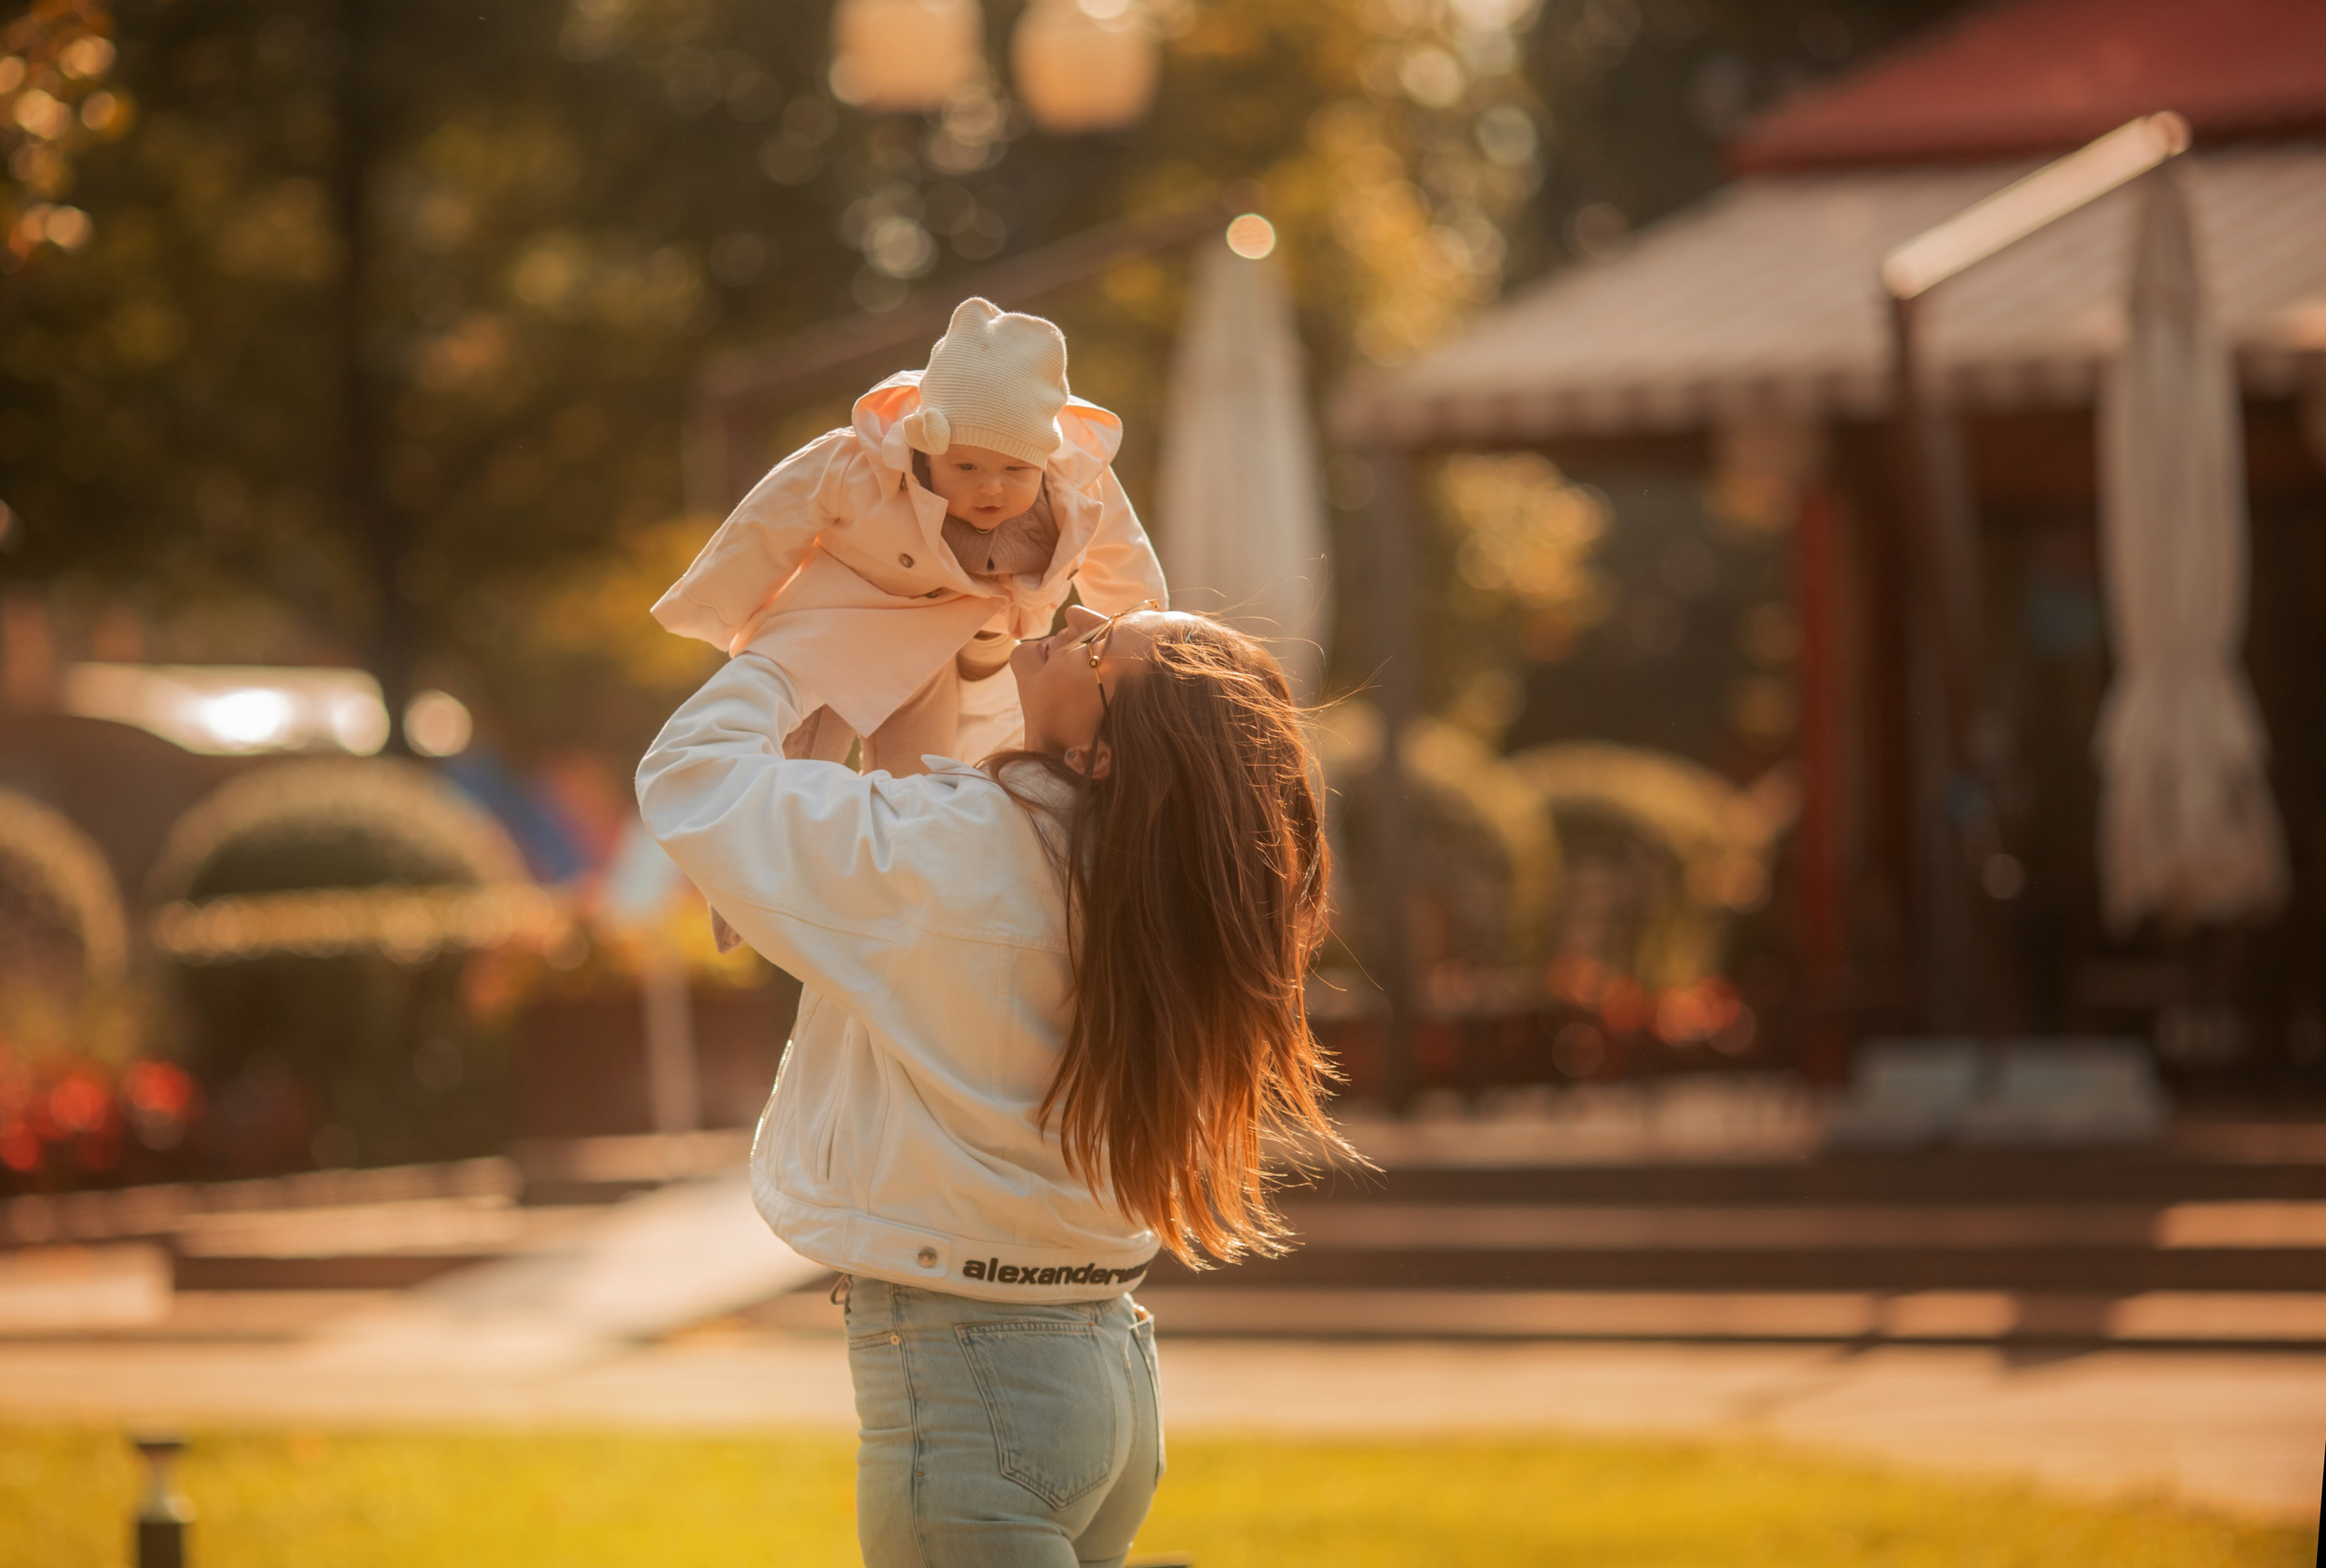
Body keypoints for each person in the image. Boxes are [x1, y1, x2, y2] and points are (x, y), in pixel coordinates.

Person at [636, 603, 1348, 1567]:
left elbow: (693, 780)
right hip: (1105, 1374)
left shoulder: (961, 851)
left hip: (975, 1380)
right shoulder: (1142, 885)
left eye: (1101, 647)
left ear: (1100, 756)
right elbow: (995, 779)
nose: (1082, 611)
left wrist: (815, 640)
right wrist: (966, 651)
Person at [651, 296, 1168, 778]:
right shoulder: (855, 465)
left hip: (943, 648)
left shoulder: (1073, 484)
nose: (991, 486)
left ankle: (894, 864)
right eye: (966, 465)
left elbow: (1119, 554)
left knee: (919, 773)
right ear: (928, 445)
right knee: (800, 763)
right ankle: (779, 858)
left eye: (1015, 469)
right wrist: (725, 607)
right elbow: (769, 522)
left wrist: (1147, 640)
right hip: (841, 620)